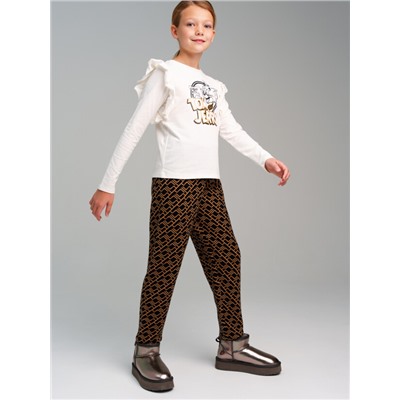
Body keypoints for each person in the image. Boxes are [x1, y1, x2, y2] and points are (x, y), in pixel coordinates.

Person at [89, 0, 290, 393]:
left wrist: (265, 158)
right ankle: (146, 350)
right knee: (165, 266)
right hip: (174, 186)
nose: (199, 31)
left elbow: (230, 129)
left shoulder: (213, 86)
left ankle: (232, 345)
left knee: (227, 257)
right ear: (174, 31)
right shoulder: (165, 75)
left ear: (214, 34)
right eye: (191, 24)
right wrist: (107, 183)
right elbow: (134, 128)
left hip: (209, 185)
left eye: (207, 25)